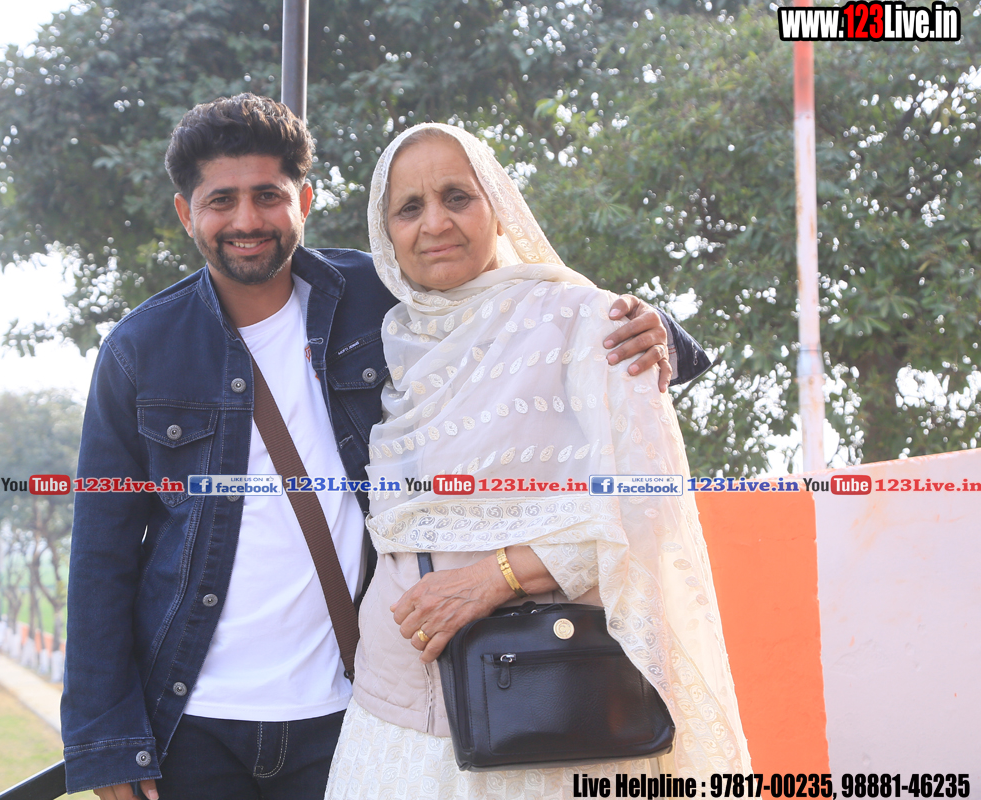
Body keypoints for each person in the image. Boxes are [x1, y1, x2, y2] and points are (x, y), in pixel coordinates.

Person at [61, 94, 709, 800]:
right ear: (187, 213)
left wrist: (657, 330)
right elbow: (102, 550)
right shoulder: (139, 350)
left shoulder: (381, 295)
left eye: (268, 196)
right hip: (194, 719)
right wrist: (103, 740)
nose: (246, 220)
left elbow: (528, 301)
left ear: (304, 200)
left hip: (347, 707)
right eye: (221, 201)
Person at [322, 124, 749, 798]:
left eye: (457, 196)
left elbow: (646, 506)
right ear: (385, 233)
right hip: (395, 716)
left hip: (551, 703)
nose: (435, 224)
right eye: (408, 208)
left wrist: (493, 577)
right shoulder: (393, 340)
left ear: (499, 205)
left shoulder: (588, 322)